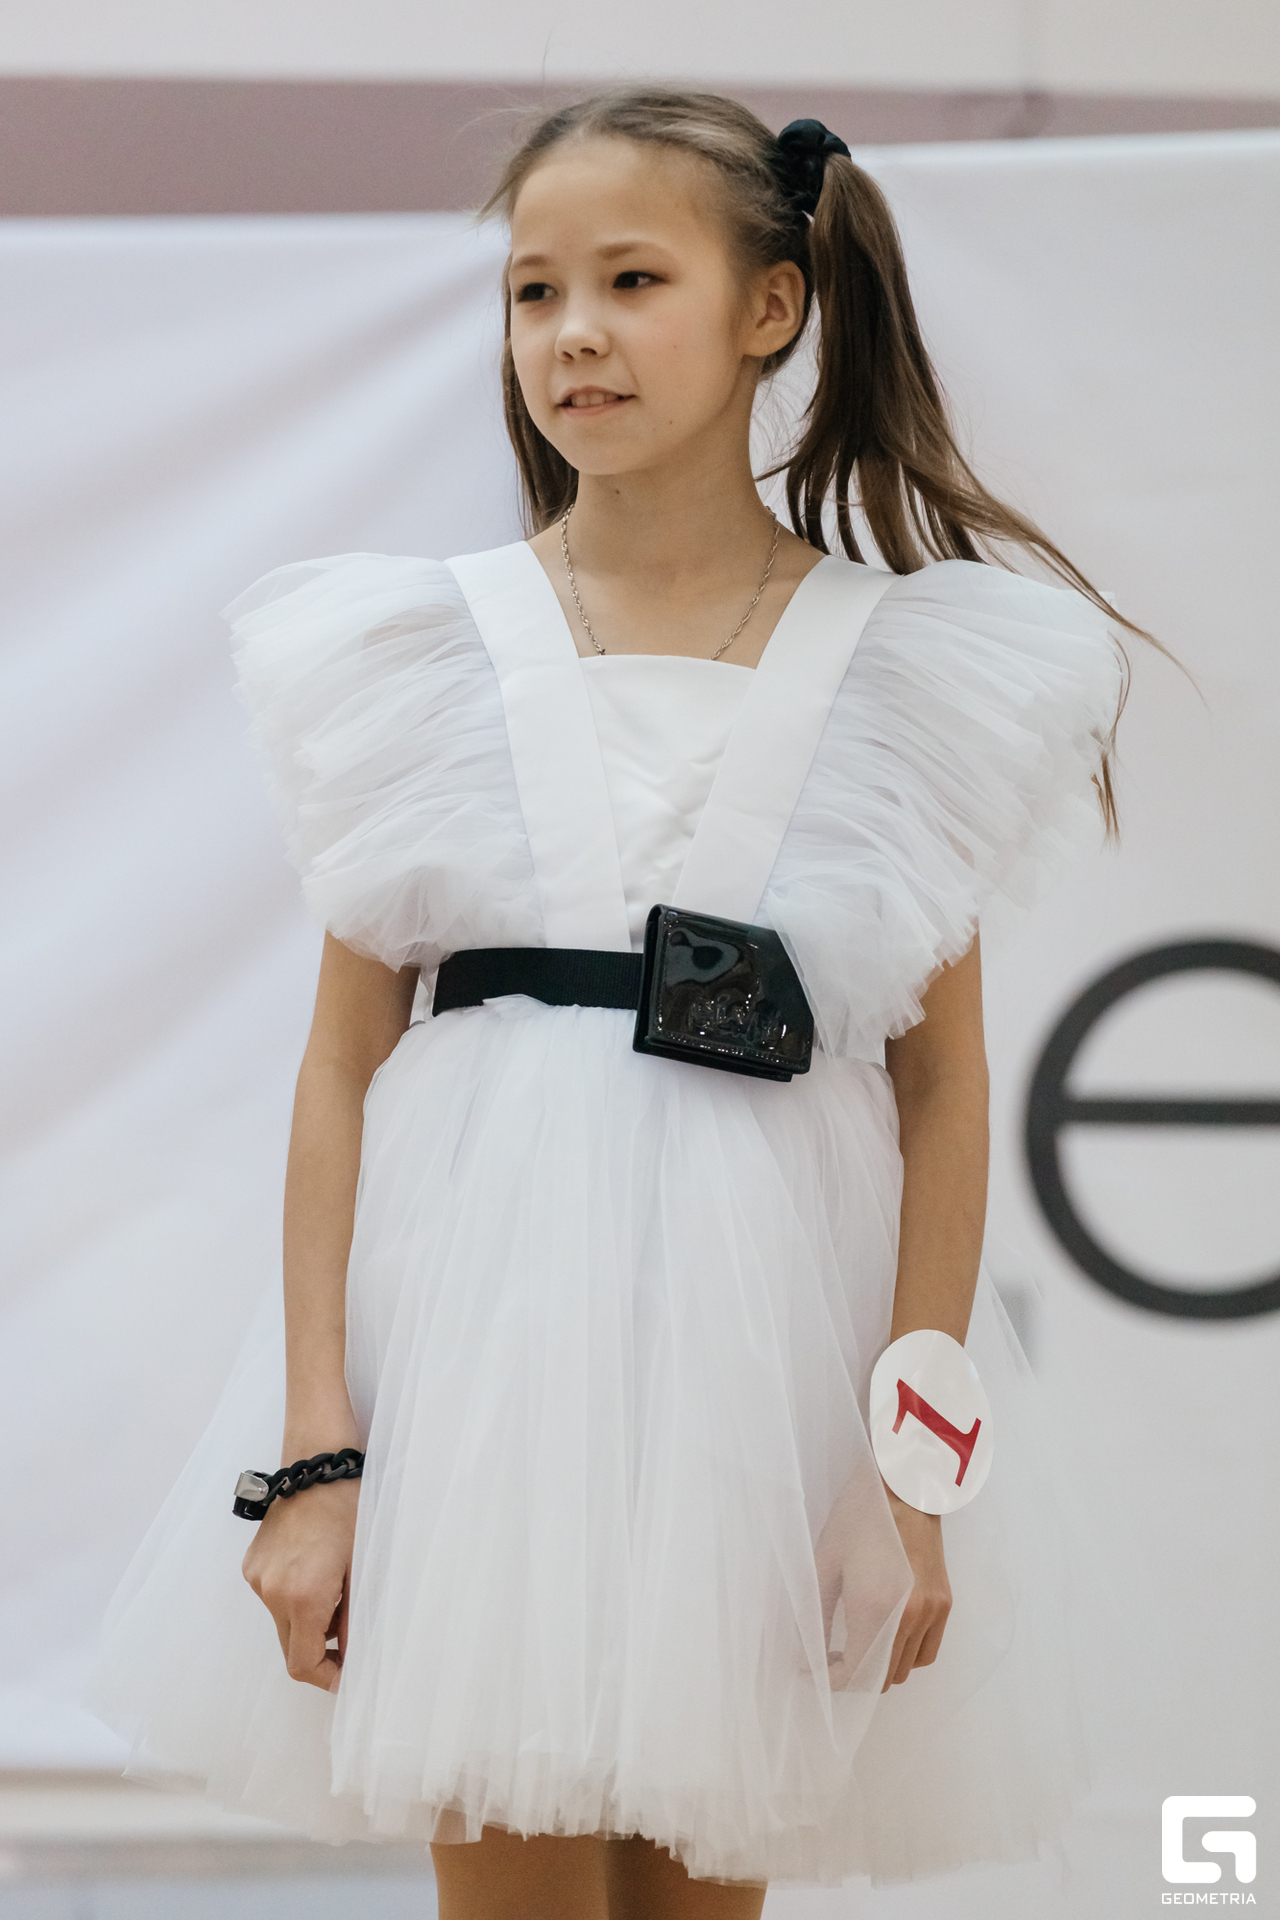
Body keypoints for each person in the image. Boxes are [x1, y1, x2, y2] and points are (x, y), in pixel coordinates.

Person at [88, 89, 1140, 1919]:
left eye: (632, 281)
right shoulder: (417, 651)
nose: (572, 332)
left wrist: (906, 1479)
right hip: (480, 1369)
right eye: (533, 291)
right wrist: (319, 1454)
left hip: (763, 1392)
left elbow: (944, 1092)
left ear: (771, 307)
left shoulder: (912, 673)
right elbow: (342, 1066)